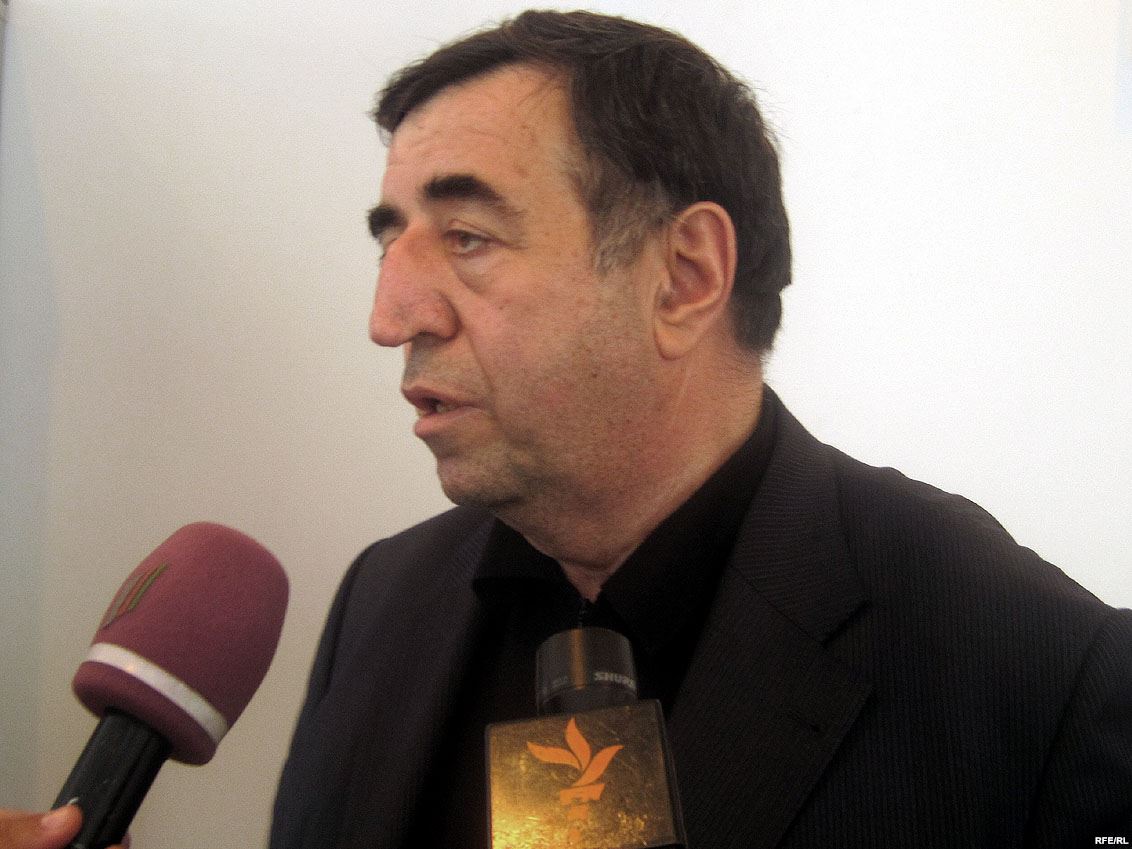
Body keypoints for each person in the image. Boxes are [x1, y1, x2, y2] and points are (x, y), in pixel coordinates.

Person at [3, 9, 1129, 849]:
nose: (389, 316)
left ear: (684, 276)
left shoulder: (1038, 674)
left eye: (468, 237)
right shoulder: (379, 602)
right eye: (391, 240)